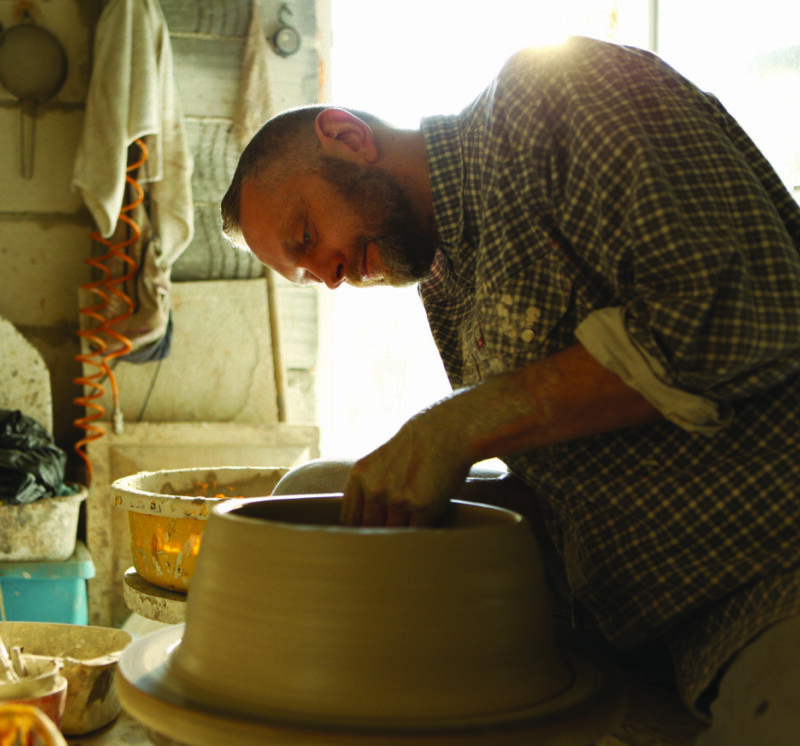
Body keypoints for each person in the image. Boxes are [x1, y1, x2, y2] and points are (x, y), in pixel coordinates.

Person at [221, 36, 800, 744]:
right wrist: (426, 473)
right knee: (314, 494)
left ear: (346, 137)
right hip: (623, 597)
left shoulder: (554, 94)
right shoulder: (444, 278)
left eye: (308, 235)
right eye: (308, 275)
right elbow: (564, 477)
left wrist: (456, 428)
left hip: (762, 568)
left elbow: (738, 310)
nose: (332, 275)